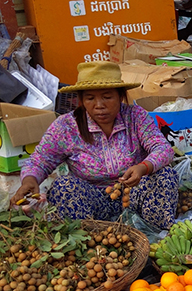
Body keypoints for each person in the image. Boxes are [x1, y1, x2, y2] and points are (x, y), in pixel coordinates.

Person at [10, 62, 178, 229]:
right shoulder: (66, 126)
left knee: (164, 174)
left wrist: (143, 167)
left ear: (120, 96)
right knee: (64, 187)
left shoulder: (136, 117)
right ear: (82, 100)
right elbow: (40, 160)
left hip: (134, 194)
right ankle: (88, 239)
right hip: (92, 201)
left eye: (107, 97)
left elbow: (163, 149)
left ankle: (154, 234)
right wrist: (30, 180)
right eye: (90, 98)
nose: (99, 105)